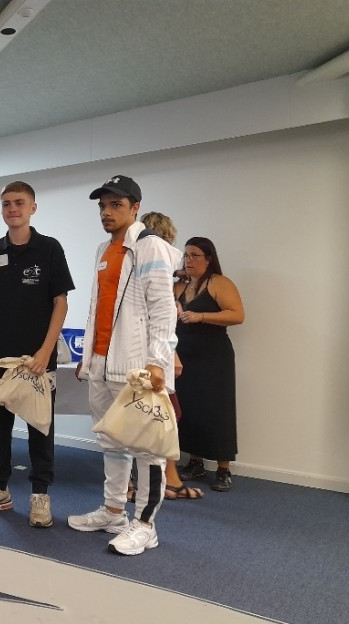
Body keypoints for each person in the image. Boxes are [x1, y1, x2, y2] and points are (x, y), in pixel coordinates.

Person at [67, 175, 179, 555]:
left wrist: (157, 362)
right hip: (102, 364)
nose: (106, 212)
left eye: (116, 205)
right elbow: (97, 308)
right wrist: (87, 358)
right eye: (103, 206)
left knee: (147, 449)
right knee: (111, 441)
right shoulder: (104, 249)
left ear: (135, 208)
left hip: (137, 369)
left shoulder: (151, 246)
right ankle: (114, 512)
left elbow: (163, 310)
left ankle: (145, 525)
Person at [0, 181, 74, 527]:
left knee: (40, 427)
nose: (12, 209)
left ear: (32, 208)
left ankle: (40, 494)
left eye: (19, 203)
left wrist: (45, 351)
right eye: (6, 204)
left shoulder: (49, 249)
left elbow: (60, 303)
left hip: (36, 359)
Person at [138, 212, 203, 500]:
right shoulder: (153, 268)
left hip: (154, 353)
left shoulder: (157, 270)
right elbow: (158, 318)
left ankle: (165, 478)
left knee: (164, 417)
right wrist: (171, 355)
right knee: (159, 417)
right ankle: (159, 481)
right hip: (151, 355)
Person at [174, 237, 245, 492]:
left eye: (195, 255)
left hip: (214, 357)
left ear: (209, 259)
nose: (189, 260)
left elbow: (237, 315)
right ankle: (195, 462)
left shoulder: (219, 282)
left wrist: (200, 316)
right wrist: (177, 273)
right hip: (183, 357)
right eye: (186, 255)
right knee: (189, 408)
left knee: (217, 410)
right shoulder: (180, 285)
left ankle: (223, 469)